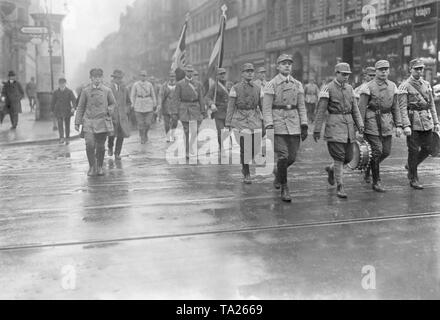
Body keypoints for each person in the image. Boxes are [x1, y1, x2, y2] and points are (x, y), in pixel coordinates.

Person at [313, 62, 364, 199]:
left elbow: (355, 109)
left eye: (347, 74)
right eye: (343, 74)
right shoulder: (327, 88)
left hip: (348, 127)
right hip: (334, 126)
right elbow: (321, 110)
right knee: (339, 156)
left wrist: (360, 124)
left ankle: (331, 169)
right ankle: (340, 186)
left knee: (349, 157)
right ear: (336, 74)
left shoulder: (350, 89)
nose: (346, 77)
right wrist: (317, 129)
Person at [263, 54, 309, 202]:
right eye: (283, 63)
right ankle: (284, 187)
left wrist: (304, 124)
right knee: (283, 155)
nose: (287, 66)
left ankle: (278, 172)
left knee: (292, 157)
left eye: (289, 63)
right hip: (278, 123)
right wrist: (269, 124)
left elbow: (301, 106)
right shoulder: (271, 84)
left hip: (294, 123)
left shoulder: (298, 84)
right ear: (278, 66)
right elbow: (267, 107)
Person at [357, 60, 402, 192]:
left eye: (386, 69)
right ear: (375, 71)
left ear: (389, 71)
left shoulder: (393, 86)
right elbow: (361, 109)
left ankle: (369, 168)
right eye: (381, 69)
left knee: (386, 151)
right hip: (371, 122)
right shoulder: (367, 87)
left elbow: (396, 108)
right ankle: (376, 182)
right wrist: (360, 128)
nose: (383, 72)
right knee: (377, 151)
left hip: (387, 123)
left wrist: (399, 125)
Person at [398, 58, 440, 189]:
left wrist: (436, 122)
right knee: (413, 150)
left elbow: (431, 105)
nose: (419, 71)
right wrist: (406, 125)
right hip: (413, 122)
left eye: (421, 68)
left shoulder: (426, 84)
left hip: (426, 121)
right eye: (416, 69)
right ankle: (413, 178)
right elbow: (402, 108)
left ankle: (410, 165)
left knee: (429, 148)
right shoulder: (405, 86)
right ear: (410, 70)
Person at [75, 68, 116, 176]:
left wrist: (109, 111)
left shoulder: (107, 90)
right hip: (89, 121)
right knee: (90, 144)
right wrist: (77, 122)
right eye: (94, 78)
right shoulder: (85, 91)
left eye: (99, 77)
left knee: (101, 147)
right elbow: (80, 107)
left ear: (102, 78)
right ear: (91, 78)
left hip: (102, 122)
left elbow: (113, 103)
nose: (97, 80)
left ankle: (99, 166)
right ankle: (92, 166)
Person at [226, 63, 263, 184]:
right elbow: (231, 107)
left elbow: (263, 107)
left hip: (254, 118)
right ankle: (246, 172)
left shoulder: (258, 88)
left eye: (252, 71)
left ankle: (246, 165)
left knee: (256, 147)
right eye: (247, 71)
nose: (250, 73)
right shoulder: (235, 88)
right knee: (244, 147)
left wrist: (267, 122)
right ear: (242, 73)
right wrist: (228, 123)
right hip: (240, 120)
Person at [175, 64, 206, 158]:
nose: (190, 73)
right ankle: (187, 151)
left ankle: (191, 145)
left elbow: (201, 98)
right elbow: (176, 99)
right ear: (185, 72)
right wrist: (175, 112)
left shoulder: (198, 84)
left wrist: (203, 110)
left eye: (191, 71)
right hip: (184, 108)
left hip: (195, 108)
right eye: (188, 71)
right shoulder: (179, 84)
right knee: (186, 130)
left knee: (195, 130)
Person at [107, 69, 131, 160]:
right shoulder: (109, 88)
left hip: (122, 116)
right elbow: (106, 102)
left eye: (120, 78)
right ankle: (110, 146)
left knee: (121, 135)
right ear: (113, 78)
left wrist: (126, 110)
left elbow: (128, 102)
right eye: (117, 78)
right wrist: (109, 111)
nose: (119, 80)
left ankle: (117, 153)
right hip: (112, 116)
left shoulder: (125, 89)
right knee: (111, 134)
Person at [205, 68, 229, 151]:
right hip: (218, 111)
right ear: (217, 76)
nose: (222, 75)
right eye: (220, 74)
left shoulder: (229, 85)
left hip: (229, 112)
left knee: (230, 129)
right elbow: (207, 97)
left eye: (224, 74)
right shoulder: (214, 87)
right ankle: (221, 146)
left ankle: (224, 139)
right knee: (220, 130)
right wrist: (211, 104)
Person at [131, 70, 157, 144]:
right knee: (140, 123)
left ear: (146, 76)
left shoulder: (149, 84)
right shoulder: (136, 84)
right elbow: (132, 95)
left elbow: (153, 94)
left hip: (148, 104)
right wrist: (132, 103)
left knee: (148, 123)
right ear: (139, 76)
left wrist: (154, 103)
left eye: (144, 75)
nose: (143, 77)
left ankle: (145, 134)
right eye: (142, 75)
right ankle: (142, 136)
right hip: (138, 104)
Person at [50, 78, 77, 145]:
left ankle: (67, 138)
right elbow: (53, 102)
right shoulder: (56, 92)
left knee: (67, 125)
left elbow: (74, 100)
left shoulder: (69, 91)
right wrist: (52, 110)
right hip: (58, 110)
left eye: (63, 83)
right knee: (60, 124)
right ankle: (61, 138)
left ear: (65, 84)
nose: (62, 85)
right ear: (59, 84)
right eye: (60, 84)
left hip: (67, 110)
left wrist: (73, 107)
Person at [157, 71, 179, 142]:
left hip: (175, 107)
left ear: (175, 77)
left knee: (175, 122)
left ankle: (172, 134)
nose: (172, 78)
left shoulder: (178, 85)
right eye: (170, 76)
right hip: (166, 106)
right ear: (168, 77)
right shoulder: (164, 86)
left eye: (173, 76)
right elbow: (160, 95)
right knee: (166, 123)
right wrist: (160, 104)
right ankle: (167, 136)